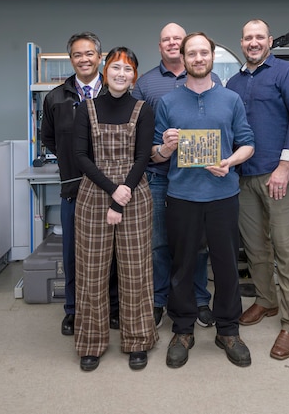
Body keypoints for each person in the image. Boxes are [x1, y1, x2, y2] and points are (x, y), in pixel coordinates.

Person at [151, 32, 255, 368]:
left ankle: (228, 329)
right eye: (191, 53)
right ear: (183, 57)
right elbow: (155, 154)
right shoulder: (168, 103)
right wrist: (166, 147)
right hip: (181, 196)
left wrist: (230, 162)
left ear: (211, 56)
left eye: (203, 53)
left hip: (223, 195)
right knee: (182, 266)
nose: (197, 58)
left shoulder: (231, 100)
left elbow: (247, 143)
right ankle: (182, 329)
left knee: (226, 266)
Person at [226, 19, 289, 360]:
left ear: (270, 41)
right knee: (255, 247)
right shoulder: (233, 81)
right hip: (244, 177)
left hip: (278, 175)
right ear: (242, 42)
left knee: (287, 249)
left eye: (259, 37)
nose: (253, 42)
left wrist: (284, 167)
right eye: (247, 37)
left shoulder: (286, 73)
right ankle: (266, 300)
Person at [73, 47, 158, 371]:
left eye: (128, 69)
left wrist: (122, 195)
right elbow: (81, 156)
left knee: (136, 272)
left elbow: (142, 157)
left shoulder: (143, 109)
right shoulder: (87, 109)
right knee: (91, 272)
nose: (121, 74)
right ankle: (91, 342)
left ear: (134, 75)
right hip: (95, 195)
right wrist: (113, 192)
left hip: (135, 195)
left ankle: (138, 339)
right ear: (104, 71)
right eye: (115, 67)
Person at [132, 23, 221, 329]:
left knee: (197, 244)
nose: (172, 43)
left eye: (177, 39)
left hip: (197, 177)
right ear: (160, 47)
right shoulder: (145, 85)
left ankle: (199, 299)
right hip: (158, 176)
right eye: (165, 39)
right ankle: (159, 299)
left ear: (186, 46)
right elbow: (138, 135)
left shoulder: (210, 79)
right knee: (158, 244)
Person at [41, 31, 119, 336]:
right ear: (71, 59)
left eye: (89, 54)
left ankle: (113, 306)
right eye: (77, 55)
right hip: (74, 188)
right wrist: (74, 159)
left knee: (113, 252)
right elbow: (48, 137)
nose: (84, 59)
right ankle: (73, 310)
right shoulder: (56, 97)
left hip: (111, 189)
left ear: (99, 57)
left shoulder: (115, 92)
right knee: (74, 254)